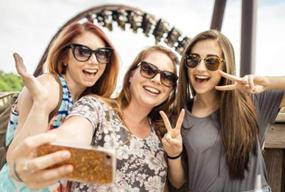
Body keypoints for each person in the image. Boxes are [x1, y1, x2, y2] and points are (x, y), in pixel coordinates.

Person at [7, 45, 182, 191]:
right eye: (148, 70)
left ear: (171, 89)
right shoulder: (97, 108)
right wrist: (47, 153)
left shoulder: (162, 135)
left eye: (168, 77)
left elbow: (172, 184)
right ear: (130, 75)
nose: (157, 79)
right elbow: (74, 134)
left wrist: (174, 155)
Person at [0, 21, 120, 192]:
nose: (94, 61)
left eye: (102, 54)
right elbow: (18, 161)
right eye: (83, 51)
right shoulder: (49, 87)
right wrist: (40, 103)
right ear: (64, 57)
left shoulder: (88, 100)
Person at [166, 30, 285, 192]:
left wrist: (267, 81)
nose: (200, 68)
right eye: (193, 60)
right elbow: (178, 182)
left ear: (225, 64)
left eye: (211, 61)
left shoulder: (251, 99)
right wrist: (174, 154)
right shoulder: (179, 116)